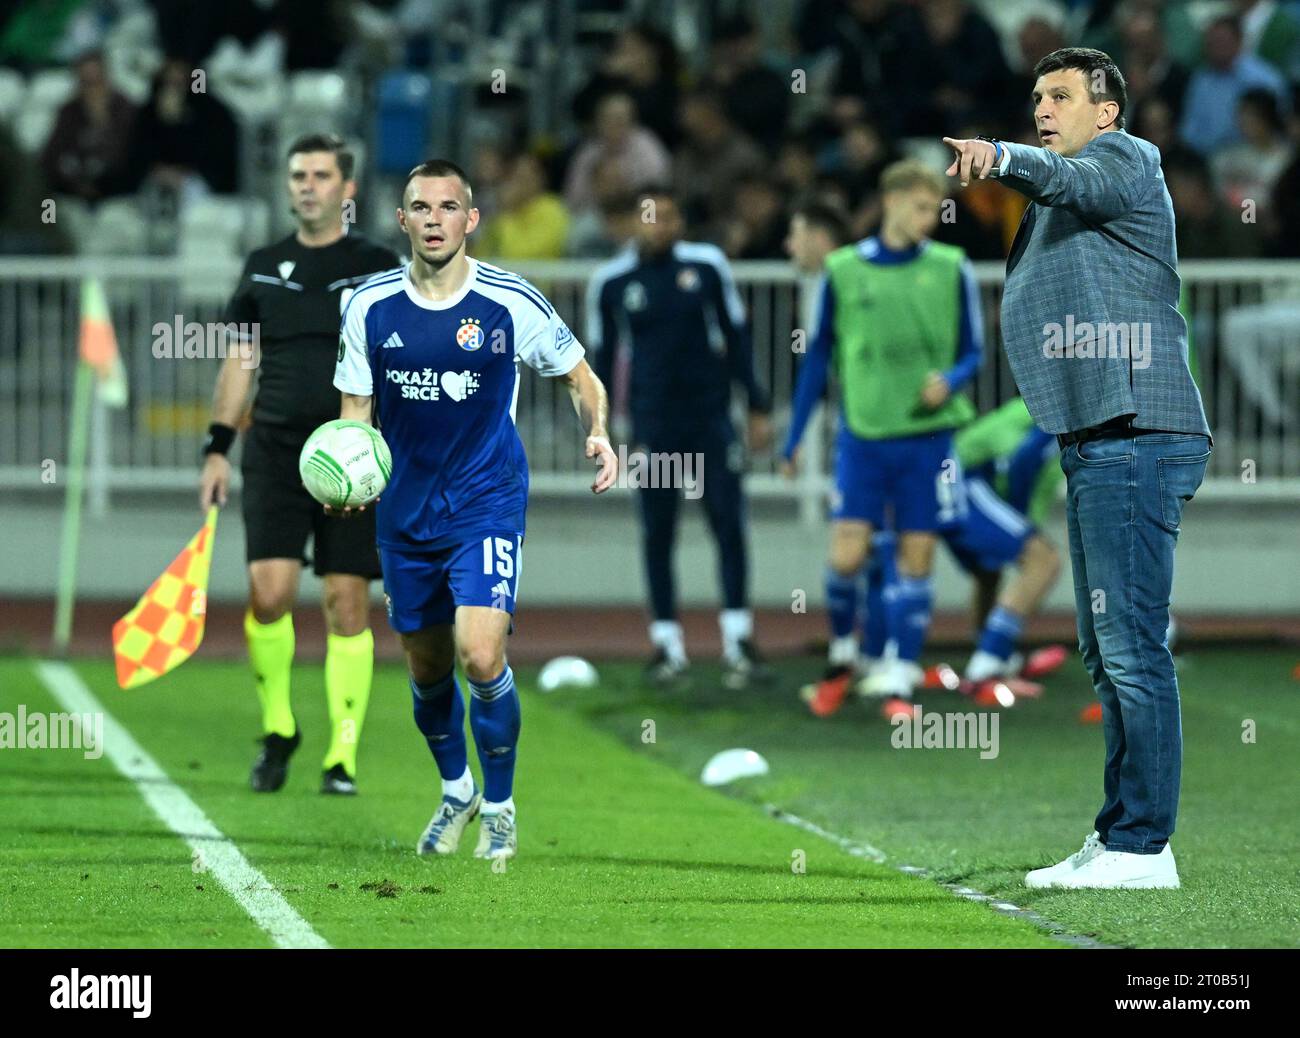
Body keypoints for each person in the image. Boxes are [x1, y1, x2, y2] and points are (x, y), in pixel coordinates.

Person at [944, 46, 1211, 889]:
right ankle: (1120, 832)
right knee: (1109, 649)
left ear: (1109, 112)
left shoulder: (1125, 162)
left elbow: (1067, 181)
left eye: (1060, 96)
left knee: (1131, 648)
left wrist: (1001, 156)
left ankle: (1144, 847)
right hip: (1101, 433)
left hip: (1136, 427)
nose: (1043, 109)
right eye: (1036, 99)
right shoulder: (1068, 190)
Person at [333, 159, 617, 861]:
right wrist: (349, 475)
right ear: (401, 221)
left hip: (485, 502)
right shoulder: (368, 306)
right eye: (420, 208)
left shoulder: (510, 300)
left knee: (480, 653)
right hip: (404, 513)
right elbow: (355, 417)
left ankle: (500, 804)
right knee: (428, 669)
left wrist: (599, 431)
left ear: (472, 219)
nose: (434, 220)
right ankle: (455, 788)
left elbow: (581, 377)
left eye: (448, 207)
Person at [198, 134, 401, 796]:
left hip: (350, 452)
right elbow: (240, 362)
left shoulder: (378, 266)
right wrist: (217, 448)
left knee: (346, 601)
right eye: (297, 175)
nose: (307, 185)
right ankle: (279, 728)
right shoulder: (262, 267)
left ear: (347, 188)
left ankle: (341, 756)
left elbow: (399, 358)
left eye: (320, 174)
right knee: (270, 593)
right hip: (279, 450)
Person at [782, 159, 982, 718]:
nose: (930, 219)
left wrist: (953, 380)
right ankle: (845, 655)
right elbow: (819, 356)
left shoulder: (952, 267)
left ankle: (899, 676)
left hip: (925, 439)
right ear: (890, 201)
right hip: (864, 437)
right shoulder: (844, 269)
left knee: (917, 555)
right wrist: (794, 436)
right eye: (920, 207)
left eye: (934, 209)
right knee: (846, 556)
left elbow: (974, 350)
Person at [586, 187, 773, 690]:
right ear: (633, 223)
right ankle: (667, 645)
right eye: (649, 217)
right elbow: (601, 364)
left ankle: (738, 641)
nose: (658, 226)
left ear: (679, 221)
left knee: (729, 526)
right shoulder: (611, 283)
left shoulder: (708, 268)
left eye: (667, 217)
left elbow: (735, 338)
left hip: (710, 422)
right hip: (652, 430)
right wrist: (599, 427)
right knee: (658, 532)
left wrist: (756, 404)